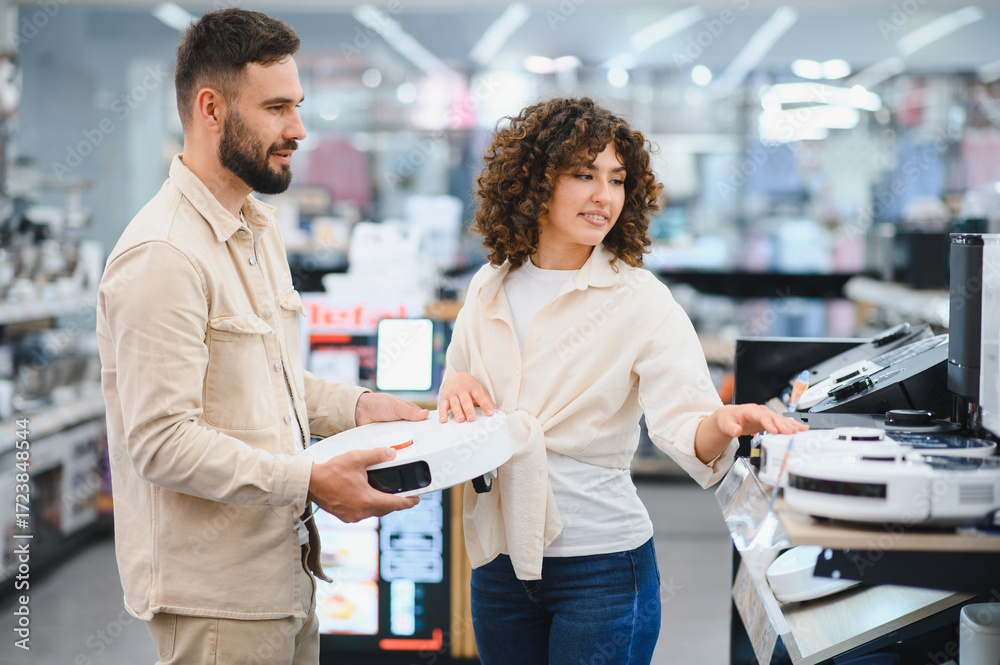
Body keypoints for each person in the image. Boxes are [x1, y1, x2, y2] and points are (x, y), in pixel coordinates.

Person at [96, 9, 426, 664]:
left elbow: (265, 381)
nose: (298, 129)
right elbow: (162, 441)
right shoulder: (163, 254)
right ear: (211, 109)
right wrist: (309, 480)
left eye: (297, 106)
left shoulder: (258, 230)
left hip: (285, 575)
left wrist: (358, 407)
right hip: (218, 601)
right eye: (277, 108)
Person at [438, 97, 808, 665]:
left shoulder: (639, 299)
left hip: (602, 570)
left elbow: (685, 423)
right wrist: (454, 385)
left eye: (616, 179)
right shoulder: (489, 286)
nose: (604, 196)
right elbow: (460, 387)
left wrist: (724, 421)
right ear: (534, 181)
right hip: (499, 563)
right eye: (583, 175)